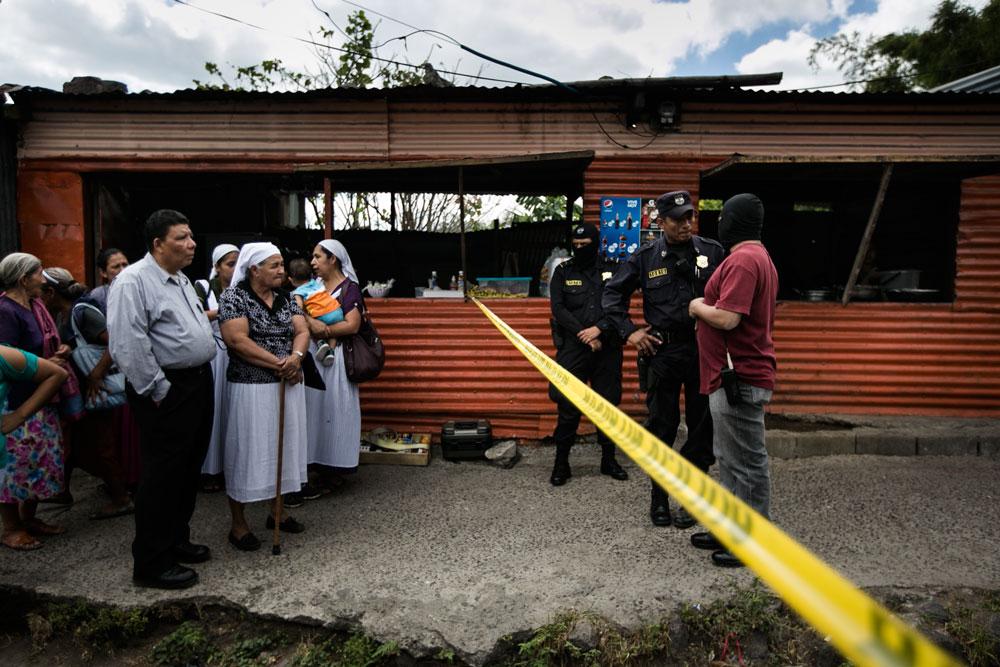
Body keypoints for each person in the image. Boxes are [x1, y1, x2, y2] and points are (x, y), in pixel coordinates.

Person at [107, 209, 217, 590]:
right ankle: (151, 563)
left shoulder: (181, 279)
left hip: (197, 383)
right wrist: (159, 389)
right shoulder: (133, 282)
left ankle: (175, 540)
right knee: (162, 473)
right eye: (181, 238)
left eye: (191, 237)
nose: (191, 244)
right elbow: (127, 344)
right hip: (168, 388)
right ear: (158, 244)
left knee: (188, 467)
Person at [602, 191, 725, 528]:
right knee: (662, 429)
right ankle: (659, 500)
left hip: (703, 349)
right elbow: (612, 295)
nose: (686, 224)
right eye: (678, 219)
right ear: (661, 222)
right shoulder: (645, 257)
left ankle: (692, 502)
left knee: (701, 431)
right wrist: (630, 333)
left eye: (690, 217)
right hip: (663, 352)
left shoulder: (712, 252)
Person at [688, 193, 778, 568]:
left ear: (737, 220)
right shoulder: (755, 257)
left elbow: (728, 319)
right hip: (727, 377)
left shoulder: (744, 260)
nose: (719, 222)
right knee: (729, 457)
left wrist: (696, 306)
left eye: (724, 216)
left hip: (737, 377)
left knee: (746, 462)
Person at [218, 242, 309, 551]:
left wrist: (296, 357)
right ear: (254, 269)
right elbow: (236, 340)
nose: (282, 270)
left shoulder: (286, 298)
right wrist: (279, 363)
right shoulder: (234, 297)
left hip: (287, 381)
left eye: (282, 264)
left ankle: (277, 513)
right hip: (250, 386)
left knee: (283, 447)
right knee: (246, 449)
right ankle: (238, 524)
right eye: (274, 265)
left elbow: (303, 329)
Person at [40, 267, 133, 520]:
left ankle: (121, 497)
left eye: (41, 291)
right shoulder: (61, 314)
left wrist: (96, 374)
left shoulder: (83, 311)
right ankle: (62, 490)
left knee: (101, 442)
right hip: (77, 388)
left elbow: (116, 341)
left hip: (93, 386)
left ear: (50, 292)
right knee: (73, 439)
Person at [0, 252, 74, 547]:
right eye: (39, 273)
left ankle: (29, 518)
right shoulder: (5, 311)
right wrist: (45, 364)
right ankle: (10, 527)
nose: (43, 279)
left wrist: (56, 357)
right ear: (23, 279)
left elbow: (39, 350)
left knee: (36, 462)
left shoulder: (36, 306)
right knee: (12, 466)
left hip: (41, 397)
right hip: (16, 401)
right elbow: (8, 357)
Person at [546, 222, 628, 486]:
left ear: (597, 243)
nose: (580, 249)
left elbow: (619, 305)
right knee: (568, 406)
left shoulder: (614, 269)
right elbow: (558, 309)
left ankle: (608, 460)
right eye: (576, 245)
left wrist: (599, 330)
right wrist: (584, 333)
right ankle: (561, 462)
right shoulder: (562, 271)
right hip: (574, 348)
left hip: (607, 348)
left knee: (608, 404)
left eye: (586, 245)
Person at [303, 240, 363, 492]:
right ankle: (311, 467)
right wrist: (307, 320)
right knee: (312, 412)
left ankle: (334, 468)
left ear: (333, 259)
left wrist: (323, 329)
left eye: (318, 257)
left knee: (335, 411)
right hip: (313, 357)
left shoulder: (349, 289)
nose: (313, 263)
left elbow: (352, 325)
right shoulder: (312, 287)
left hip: (335, 360)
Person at [0, 345, 68, 550]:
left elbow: (57, 374)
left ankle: (21, 523)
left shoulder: (4, 355)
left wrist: (19, 415)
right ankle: (12, 527)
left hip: (10, 427)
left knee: (20, 474)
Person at [194, 243, 240, 492]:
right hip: (214, 357)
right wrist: (223, 311)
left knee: (231, 411)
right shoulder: (203, 288)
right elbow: (194, 316)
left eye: (237, 263)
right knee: (213, 410)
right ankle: (209, 471)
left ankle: (229, 468)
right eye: (229, 264)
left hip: (236, 355)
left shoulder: (243, 289)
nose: (234, 269)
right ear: (217, 266)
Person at [292, 276, 345, 366]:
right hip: (337, 311)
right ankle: (331, 351)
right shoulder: (316, 282)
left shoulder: (298, 291)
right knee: (334, 333)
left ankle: (320, 342)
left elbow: (299, 308)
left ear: (291, 280)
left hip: (322, 315)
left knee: (309, 324)